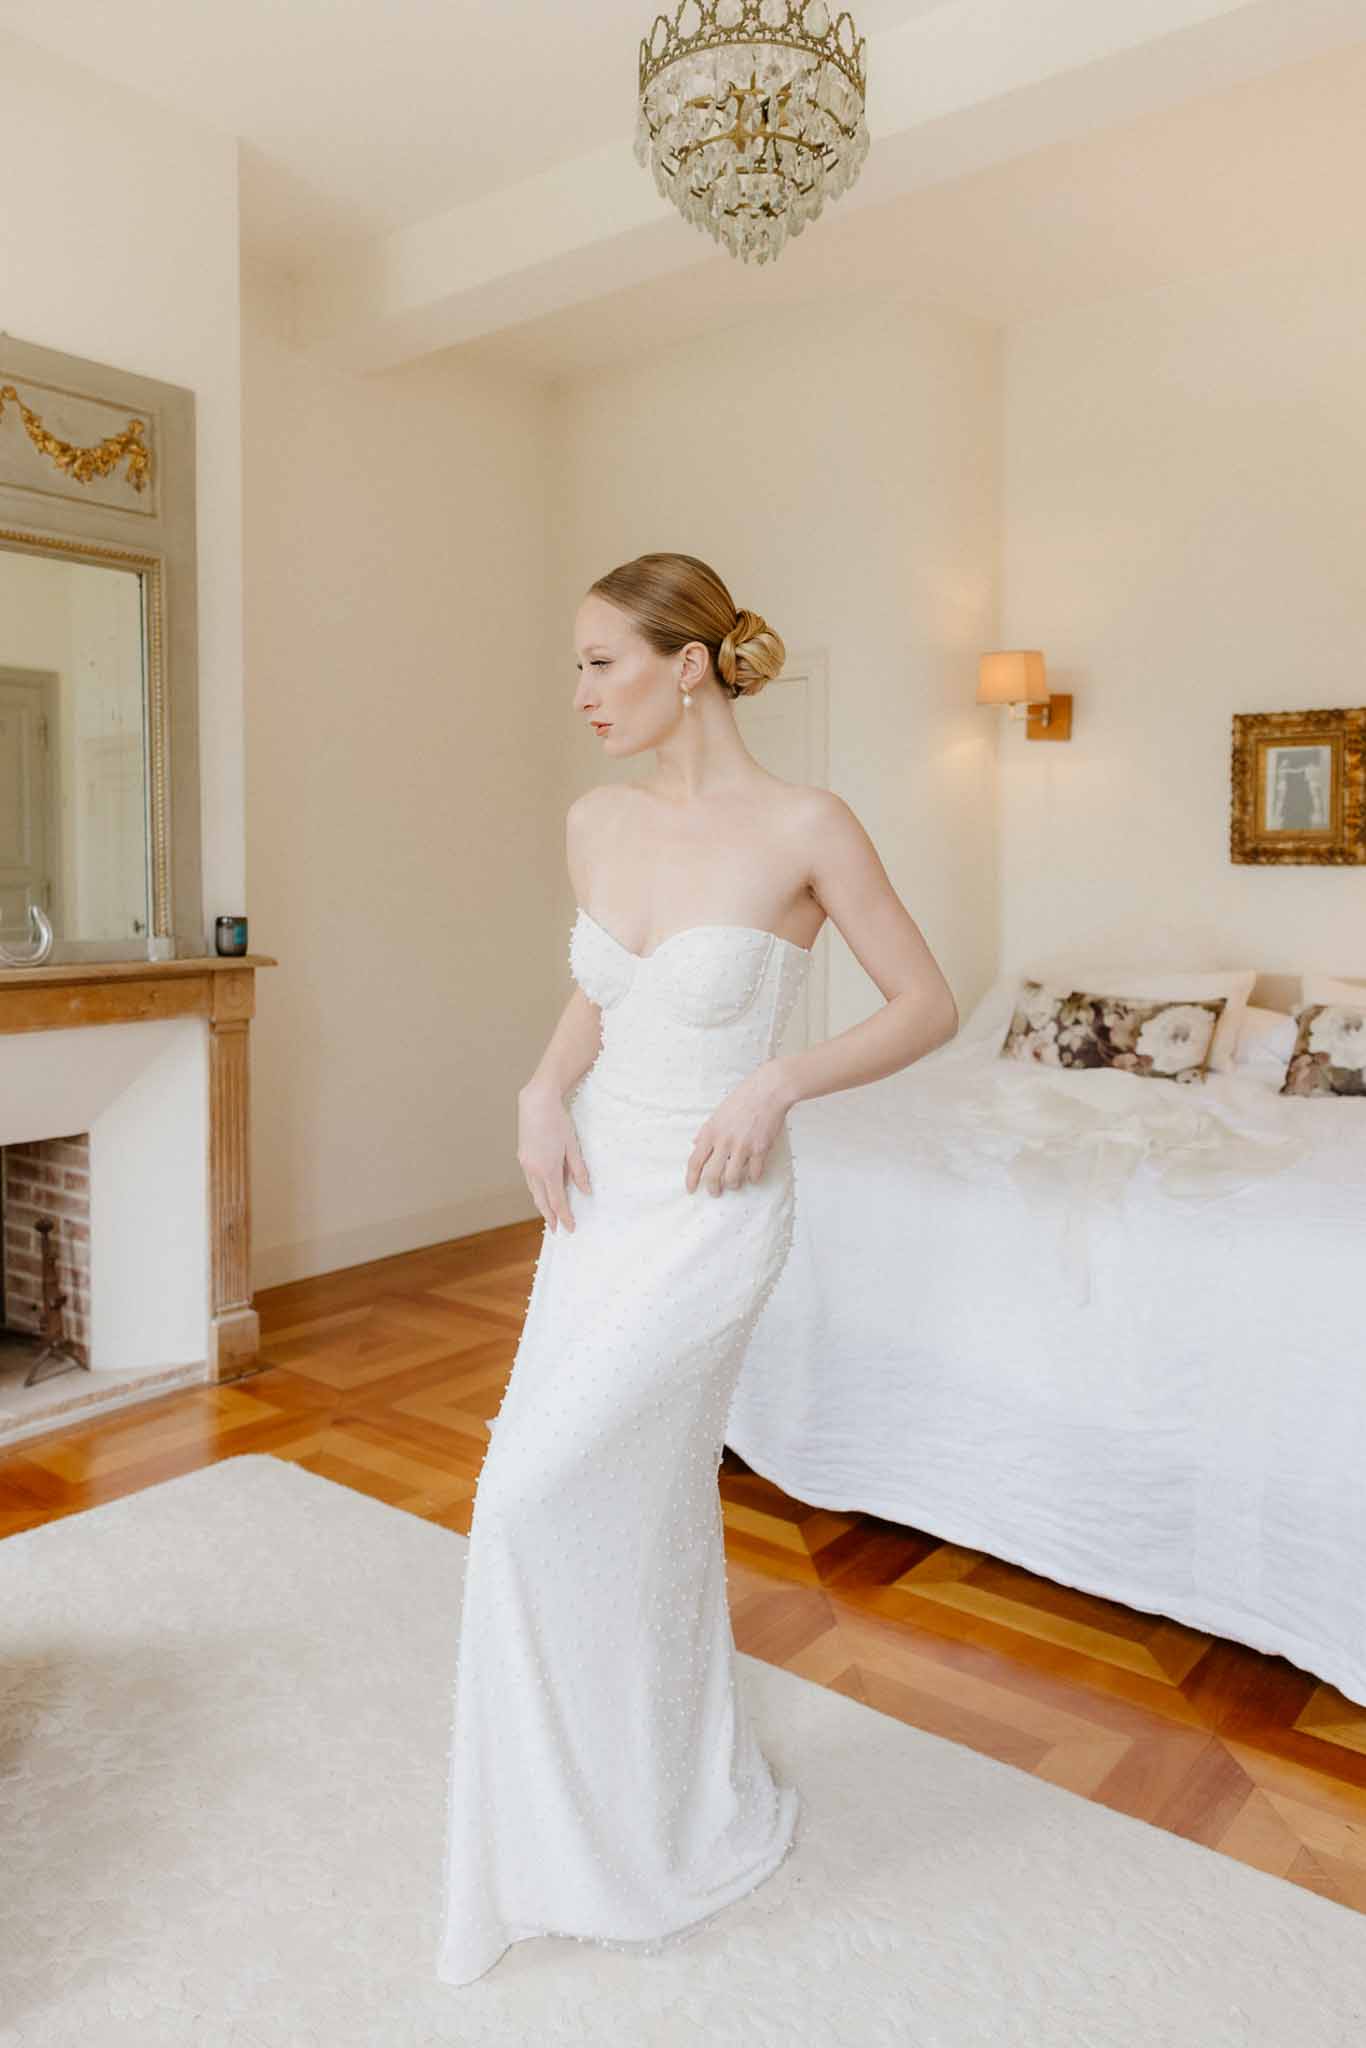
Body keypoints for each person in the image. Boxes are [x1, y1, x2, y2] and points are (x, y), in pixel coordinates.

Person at [436, 550, 958, 1986]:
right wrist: (540, 1092)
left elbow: (926, 1004)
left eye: (601, 661)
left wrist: (777, 1082)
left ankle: (653, 1812)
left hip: (717, 1210)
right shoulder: (593, 820)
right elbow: (604, 989)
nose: (582, 692)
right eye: (577, 667)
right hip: (594, 1203)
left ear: (686, 664)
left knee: (535, 1495)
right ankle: (598, 1807)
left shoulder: (806, 824)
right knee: (615, 1504)